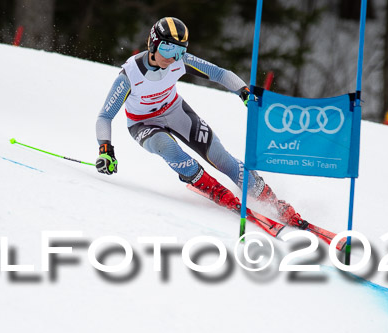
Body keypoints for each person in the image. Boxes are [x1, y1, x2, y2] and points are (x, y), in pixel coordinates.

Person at [94, 17, 306, 228]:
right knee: (166, 146)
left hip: (176, 111)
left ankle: (270, 200)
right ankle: (213, 189)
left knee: (220, 157)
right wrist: (106, 150)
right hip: (143, 124)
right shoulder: (130, 74)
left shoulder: (180, 61)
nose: (172, 58)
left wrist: (243, 91)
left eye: (179, 51)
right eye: (167, 49)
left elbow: (219, 73)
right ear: (153, 43)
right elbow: (105, 116)